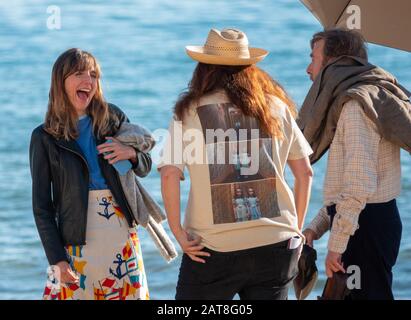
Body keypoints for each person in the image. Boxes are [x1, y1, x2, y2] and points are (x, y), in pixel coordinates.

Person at [158, 28, 313, 300]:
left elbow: (170, 174)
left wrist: (178, 233)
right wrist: (295, 231)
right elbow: (305, 173)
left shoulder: (189, 111)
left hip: (212, 248)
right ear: (249, 68)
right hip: (276, 243)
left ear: (204, 68)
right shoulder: (275, 107)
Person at [29, 48, 152, 300]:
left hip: (120, 233)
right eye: (78, 74)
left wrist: (130, 153)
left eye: (93, 74)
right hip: (74, 240)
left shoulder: (112, 118)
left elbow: (145, 166)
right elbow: (42, 207)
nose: (89, 81)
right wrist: (57, 260)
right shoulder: (43, 137)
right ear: (60, 82)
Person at [300, 29, 411, 299]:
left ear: (333, 64)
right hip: (372, 220)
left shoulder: (355, 106)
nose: (307, 69)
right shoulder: (369, 97)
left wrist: (336, 245)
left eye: (313, 58)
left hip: (365, 227)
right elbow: (350, 186)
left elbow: (359, 185)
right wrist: (316, 227)